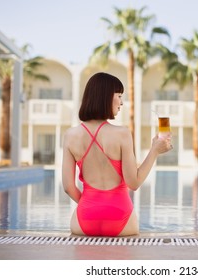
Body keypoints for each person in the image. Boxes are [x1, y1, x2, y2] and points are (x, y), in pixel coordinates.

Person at [62, 72, 172, 237]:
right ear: (105, 97)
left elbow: (68, 188)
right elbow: (133, 183)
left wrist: (92, 206)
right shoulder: (122, 133)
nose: (121, 102)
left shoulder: (70, 135)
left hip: (84, 220)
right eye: (119, 96)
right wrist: (154, 151)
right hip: (121, 220)